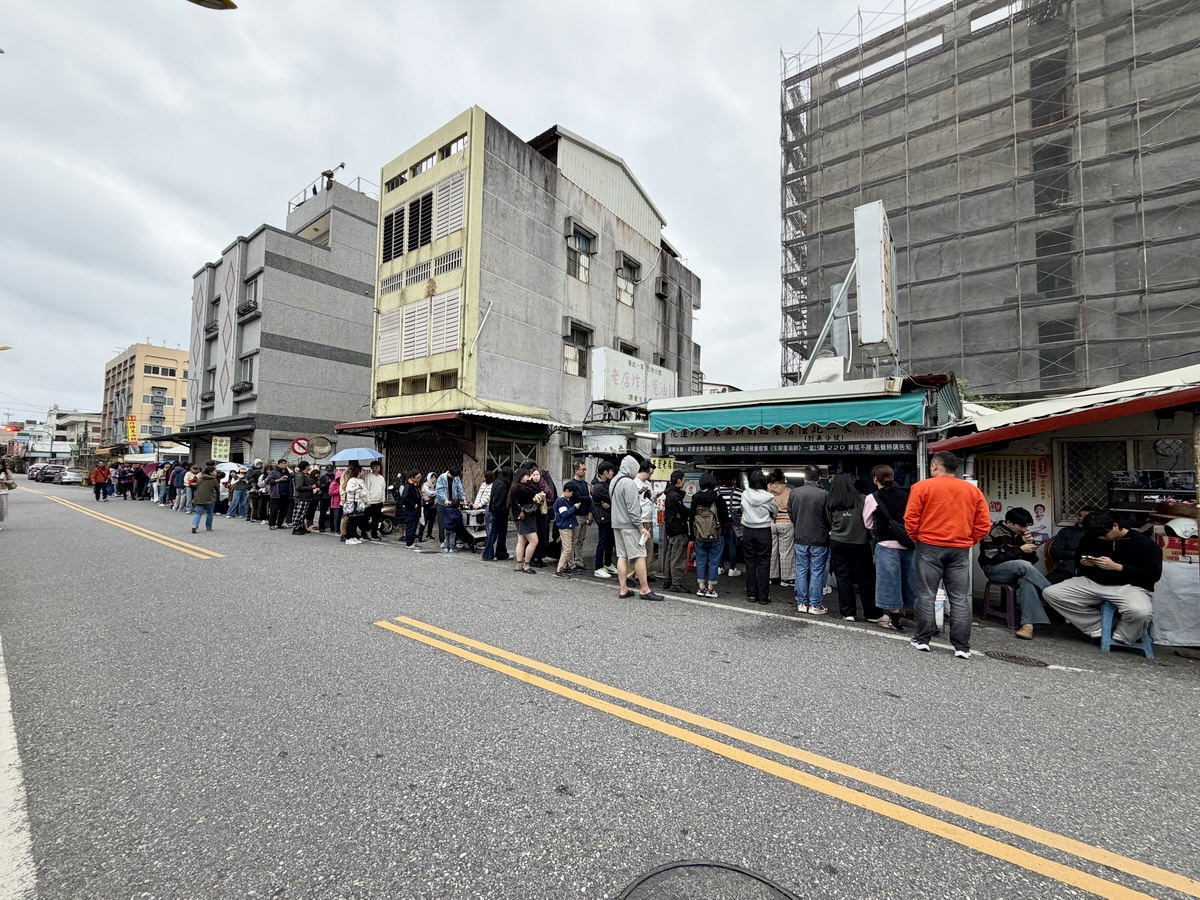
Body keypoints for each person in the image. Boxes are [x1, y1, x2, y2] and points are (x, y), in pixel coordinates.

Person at [904, 451, 991, 659]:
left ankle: (923, 639)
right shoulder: (972, 491)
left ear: (935, 466)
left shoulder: (922, 487)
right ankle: (962, 646)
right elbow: (983, 524)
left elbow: (911, 518)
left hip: (929, 545)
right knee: (960, 598)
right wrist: (969, 540)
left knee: (926, 594)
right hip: (960, 548)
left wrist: (917, 538)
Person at [1042, 510, 1162, 646]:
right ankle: (1097, 625)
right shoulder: (1091, 537)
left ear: (1115, 525)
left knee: (1141, 612)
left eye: (1105, 535)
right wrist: (1084, 562)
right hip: (1093, 582)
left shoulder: (1145, 544)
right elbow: (1079, 557)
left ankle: (1123, 635)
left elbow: (1153, 575)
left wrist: (1118, 567)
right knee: (1051, 593)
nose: (1102, 538)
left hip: (1129, 586)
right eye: (1098, 536)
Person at [980, 507, 1052, 640]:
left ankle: (1027, 626)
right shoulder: (991, 532)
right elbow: (993, 557)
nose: (1024, 529)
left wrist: (1029, 545)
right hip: (993, 569)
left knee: (1027, 581)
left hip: (1018, 570)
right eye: (1021, 525)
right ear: (1009, 522)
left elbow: (1032, 561)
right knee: (1023, 565)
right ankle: (1052, 594)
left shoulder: (1021, 535)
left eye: (1026, 526)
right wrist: (1019, 550)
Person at [863, 464, 915, 631]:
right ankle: (919, 618)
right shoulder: (907, 495)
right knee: (909, 581)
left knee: (889, 583)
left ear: (875, 479)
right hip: (908, 545)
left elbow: (868, 523)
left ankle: (895, 620)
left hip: (887, 545)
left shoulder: (873, 497)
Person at [827, 472, 882, 623]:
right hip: (859, 542)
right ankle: (871, 613)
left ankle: (848, 612)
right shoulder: (862, 499)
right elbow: (870, 520)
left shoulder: (831, 500)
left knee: (843, 577)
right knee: (866, 578)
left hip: (838, 541)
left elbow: (828, 520)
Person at [611, 456, 664, 601]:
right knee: (640, 554)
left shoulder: (614, 481)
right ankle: (645, 590)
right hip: (629, 525)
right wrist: (641, 527)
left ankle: (623, 589)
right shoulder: (629, 483)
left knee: (622, 555)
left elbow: (618, 501)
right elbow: (633, 509)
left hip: (616, 523)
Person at [787, 466, 831, 615]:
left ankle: (801, 603)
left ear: (804, 477)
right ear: (818, 478)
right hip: (819, 537)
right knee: (817, 571)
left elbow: (790, 513)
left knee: (800, 570)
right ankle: (815, 605)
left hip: (800, 537)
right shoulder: (824, 494)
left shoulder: (794, 493)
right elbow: (828, 517)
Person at [740, 471, 778, 605]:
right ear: (764, 482)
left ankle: (751, 594)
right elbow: (775, 511)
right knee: (764, 563)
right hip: (763, 531)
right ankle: (763, 596)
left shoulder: (745, 494)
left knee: (750, 563)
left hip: (748, 531)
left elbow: (742, 508)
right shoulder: (769, 497)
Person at [689, 472, 729, 599]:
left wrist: (692, 535)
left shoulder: (695, 498)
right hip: (716, 535)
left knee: (700, 561)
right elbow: (724, 517)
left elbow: (691, 518)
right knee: (713, 562)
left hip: (699, 535)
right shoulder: (718, 498)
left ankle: (701, 588)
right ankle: (711, 589)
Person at [1048, 506, 1098, 582]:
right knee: (1044, 584)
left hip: (1089, 572)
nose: (1081, 519)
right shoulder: (1065, 532)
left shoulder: (1097, 534)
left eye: (1085, 517)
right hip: (1066, 570)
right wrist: (1073, 554)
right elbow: (1055, 551)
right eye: (1079, 515)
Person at [509, 465, 542, 574]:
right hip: (525, 516)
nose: (529, 477)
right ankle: (526, 565)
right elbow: (535, 490)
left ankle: (519, 564)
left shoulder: (515, 486)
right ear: (521, 477)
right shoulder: (521, 487)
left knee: (522, 541)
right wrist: (532, 481)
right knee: (534, 541)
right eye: (527, 475)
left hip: (519, 515)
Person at [661, 470, 690, 592]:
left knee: (670, 555)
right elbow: (683, 511)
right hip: (677, 528)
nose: (684, 482)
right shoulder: (674, 495)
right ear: (679, 481)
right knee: (678, 557)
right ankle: (676, 583)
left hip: (671, 529)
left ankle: (668, 580)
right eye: (683, 480)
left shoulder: (670, 493)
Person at [766, 469, 795, 588]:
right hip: (786, 522)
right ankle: (786, 579)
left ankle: (771, 576)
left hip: (771, 521)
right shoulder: (789, 491)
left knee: (772, 550)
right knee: (786, 551)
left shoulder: (767, 491)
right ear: (783, 479)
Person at [565, 461, 593, 571]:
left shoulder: (585, 484)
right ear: (576, 470)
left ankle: (579, 560)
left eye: (585, 469)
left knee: (581, 540)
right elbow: (576, 498)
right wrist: (588, 498)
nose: (584, 471)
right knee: (574, 540)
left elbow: (587, 498)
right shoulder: (572, 484)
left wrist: (590, 512)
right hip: (575, 515)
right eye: (583, 469)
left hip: (585, 513)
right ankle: (571, 563)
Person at [591, 461, 617, 578]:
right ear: (605, 472)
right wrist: (608, 502)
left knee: (609, 542)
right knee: (602, 542)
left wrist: (609, 504)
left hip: (609, 516)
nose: (612, 473)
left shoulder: (607, 483)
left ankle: (607, 563)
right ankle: (598, 567)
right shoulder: (598, 486)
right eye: (611, 471)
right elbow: (614, 497)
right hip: (603, 518)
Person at [531, 467, 558, 567]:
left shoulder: (545, 485)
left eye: (537, 475)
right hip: (532, 515)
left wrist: (544, 499)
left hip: (543, 514)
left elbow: (552, 497)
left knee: (542, 536)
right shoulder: (529, 485)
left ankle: (539, 557)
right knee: (533, 538)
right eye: (534, 475)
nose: (536, 477)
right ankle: (531, 557)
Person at [483, 466, 511, 561]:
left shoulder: (497, 482)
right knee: (498, 533)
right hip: (500, 512)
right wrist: (504, 508)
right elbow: (498, 501)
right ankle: (492, 554)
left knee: (496, 533)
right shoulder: (502, 485)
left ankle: (495, 553)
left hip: (496, 512)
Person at [717, 475, 743, 577]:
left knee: (720, 544)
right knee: (732, 545)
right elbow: (743, 506)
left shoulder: (717, 490)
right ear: (733, 480)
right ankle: (732, 569)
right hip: (733, 522)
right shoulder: (738, 491)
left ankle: (719, 567)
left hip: (721, 521)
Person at [553, 483, 580, 577]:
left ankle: (563, 567)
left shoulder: (562, 500)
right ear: (567, 491)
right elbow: (564, 514)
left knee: (565, 548)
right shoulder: (561, 501)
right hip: (565, 527)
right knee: (567, 549)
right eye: (572, 493)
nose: (572, 495)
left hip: (565, 526)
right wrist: (574, 507)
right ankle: (559, 569)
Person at [341, 462, 369, 545]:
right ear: (358, 471)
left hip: (359, 501)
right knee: (351, 520)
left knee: (357, 520)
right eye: (362, 471)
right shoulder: (351, 480)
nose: (362, 472)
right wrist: (357, 487)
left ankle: (353, 536)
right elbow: (348, 490)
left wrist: (363, 493)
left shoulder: (361, 480)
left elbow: (364, 491)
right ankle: (349, 538)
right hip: (352, 502)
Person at [189, 464, 220, 534]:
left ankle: (194, 525)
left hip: (199, 498)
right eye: (214, 471)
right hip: (210, 498)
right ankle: (208, 527)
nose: (216, 472)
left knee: (198, 513)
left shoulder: (201, 478)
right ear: (210, 472)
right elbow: (217, 488)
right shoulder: (214, 480)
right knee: (209, 513)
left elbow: (197, 485)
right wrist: (217, 496)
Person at [397, 470, 423, 549]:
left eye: (420, 477)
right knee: (410, 526)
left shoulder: (416, 485)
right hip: (411, 509)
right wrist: (413, 504)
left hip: (416, 509)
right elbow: (404, 498)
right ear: (412, 477)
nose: (419, 478)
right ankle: (409, 543)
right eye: (417, 477)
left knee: (414, 526)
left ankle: (411, 541)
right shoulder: (408, 486)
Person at [364, 459, 388, 542]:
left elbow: (383, 489)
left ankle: (374, 533)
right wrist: (368, 500)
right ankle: (364, 533)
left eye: (378, 466)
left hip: (379, 501)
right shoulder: (368, 477)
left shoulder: (381, 478)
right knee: (366, 518)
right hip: (371, 501)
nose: (377, 468)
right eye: (375, 466)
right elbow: (366, 489)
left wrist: (383, 499)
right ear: (372, 468)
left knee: (376, 519)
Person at [291, 460, 316, 535]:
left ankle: (301, 527)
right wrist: (310, 487)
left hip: (306, 497)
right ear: (306, 467)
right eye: (308, 466)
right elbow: (299, 487)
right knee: (298, 513)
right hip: (301, 497)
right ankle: (296, 528)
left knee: (303, 514)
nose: (309, 467)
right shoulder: (299, 475)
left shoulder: (306, 475)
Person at [265, 459, 292, 529]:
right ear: (279, 464)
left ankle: (280, 523)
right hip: (276, 494)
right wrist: (279, 480)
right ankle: (272, 524)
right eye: (283, 463)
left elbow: (293, 475)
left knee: (284, 510)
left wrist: (288, 468)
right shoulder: (274, 472)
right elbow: (269, 481)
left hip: (286, 494)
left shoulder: (287, 472)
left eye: (286, 463)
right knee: (274, 510)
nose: (285, 465)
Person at [317, 465, 336, 532]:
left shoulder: (335, 477)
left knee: (333, 513)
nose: (329, 472)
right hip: (324, 496)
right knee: (323, 513)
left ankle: (333, 527)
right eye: (328, 470)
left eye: (330, 470)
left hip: (333, 497)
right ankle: (321, 527)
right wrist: (328, 483)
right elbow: (321, 487)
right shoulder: (323, 477)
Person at [421, 472, 438, 540]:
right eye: (432, 477)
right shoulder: (425, 485)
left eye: (435, 477)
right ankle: (420, 536)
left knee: (432, 521)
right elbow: (429, 493)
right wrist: (436, 492)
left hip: (434, 506)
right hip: (427, 505)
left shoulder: (436, 485)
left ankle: (429, 534)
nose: (434, 479)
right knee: (424, 521)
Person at [0, 461, 17, 529]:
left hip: (2, 492)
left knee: (1, 508)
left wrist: (4, 482)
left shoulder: (6, 472)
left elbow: (12, 481)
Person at [328, 468, 343, 539]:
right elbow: (331, 493)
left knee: (342, 517)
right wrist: (339, 489)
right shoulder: (333, 484)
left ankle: (341, 529)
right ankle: (336, 530)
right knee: (336, 517)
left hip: (342, 502)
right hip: (335, 503)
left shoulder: (343, 484)